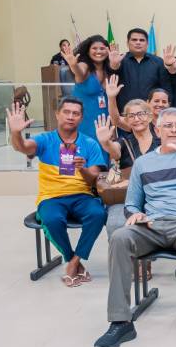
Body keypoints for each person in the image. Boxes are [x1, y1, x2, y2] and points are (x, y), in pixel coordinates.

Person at [94, 108, 176, 347]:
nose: (174, 130)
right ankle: (120, 321)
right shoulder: (143, 163)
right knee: (120, 237)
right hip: (152, 224)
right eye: (168, 125)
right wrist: (135, 214)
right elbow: (131, 203)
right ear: (157, 131)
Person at [7, 98, 107, 287]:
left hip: (82, 195)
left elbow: (93, 179)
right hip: (51, 197)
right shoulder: (45, 139)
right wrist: (16, 132)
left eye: (75, 113)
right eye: (66, 112)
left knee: (98, 214)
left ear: (81, 118)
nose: (70, 116)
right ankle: (72, 260)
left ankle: (74, 262)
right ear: (57, 114)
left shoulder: (90, 143)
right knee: (52, 219)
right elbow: (22, 147)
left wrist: (82, 169)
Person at [94, 103, 159, 241]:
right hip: (125, 198)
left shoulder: (161, 141)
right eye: (131, 116)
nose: (137, 119)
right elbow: (115, 151)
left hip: (157, 197)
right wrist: (105, 142)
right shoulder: (124, 141)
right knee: (115, 224)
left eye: (141, 114)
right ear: (127, 120)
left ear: (149, 117)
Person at [60, 35, 110, 159]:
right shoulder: (84, 65)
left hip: (103, 124)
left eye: (102, 48)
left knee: (101, 163)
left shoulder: (109, 69)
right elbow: (79, 72)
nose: (98, 51)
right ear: (88, 51)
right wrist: (73, 65)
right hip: (83, 123)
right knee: (77, 163)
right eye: (94, 48)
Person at [109, 28, 170, 113]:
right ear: (127, 43)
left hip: (150, 113)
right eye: (134, 40)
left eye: (142, 40)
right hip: (125, 113)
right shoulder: (119, 60)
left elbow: (166, 88)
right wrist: (114, 65)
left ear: (147, 44)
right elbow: (111, 82)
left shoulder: (158, 62)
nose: (138, 42)